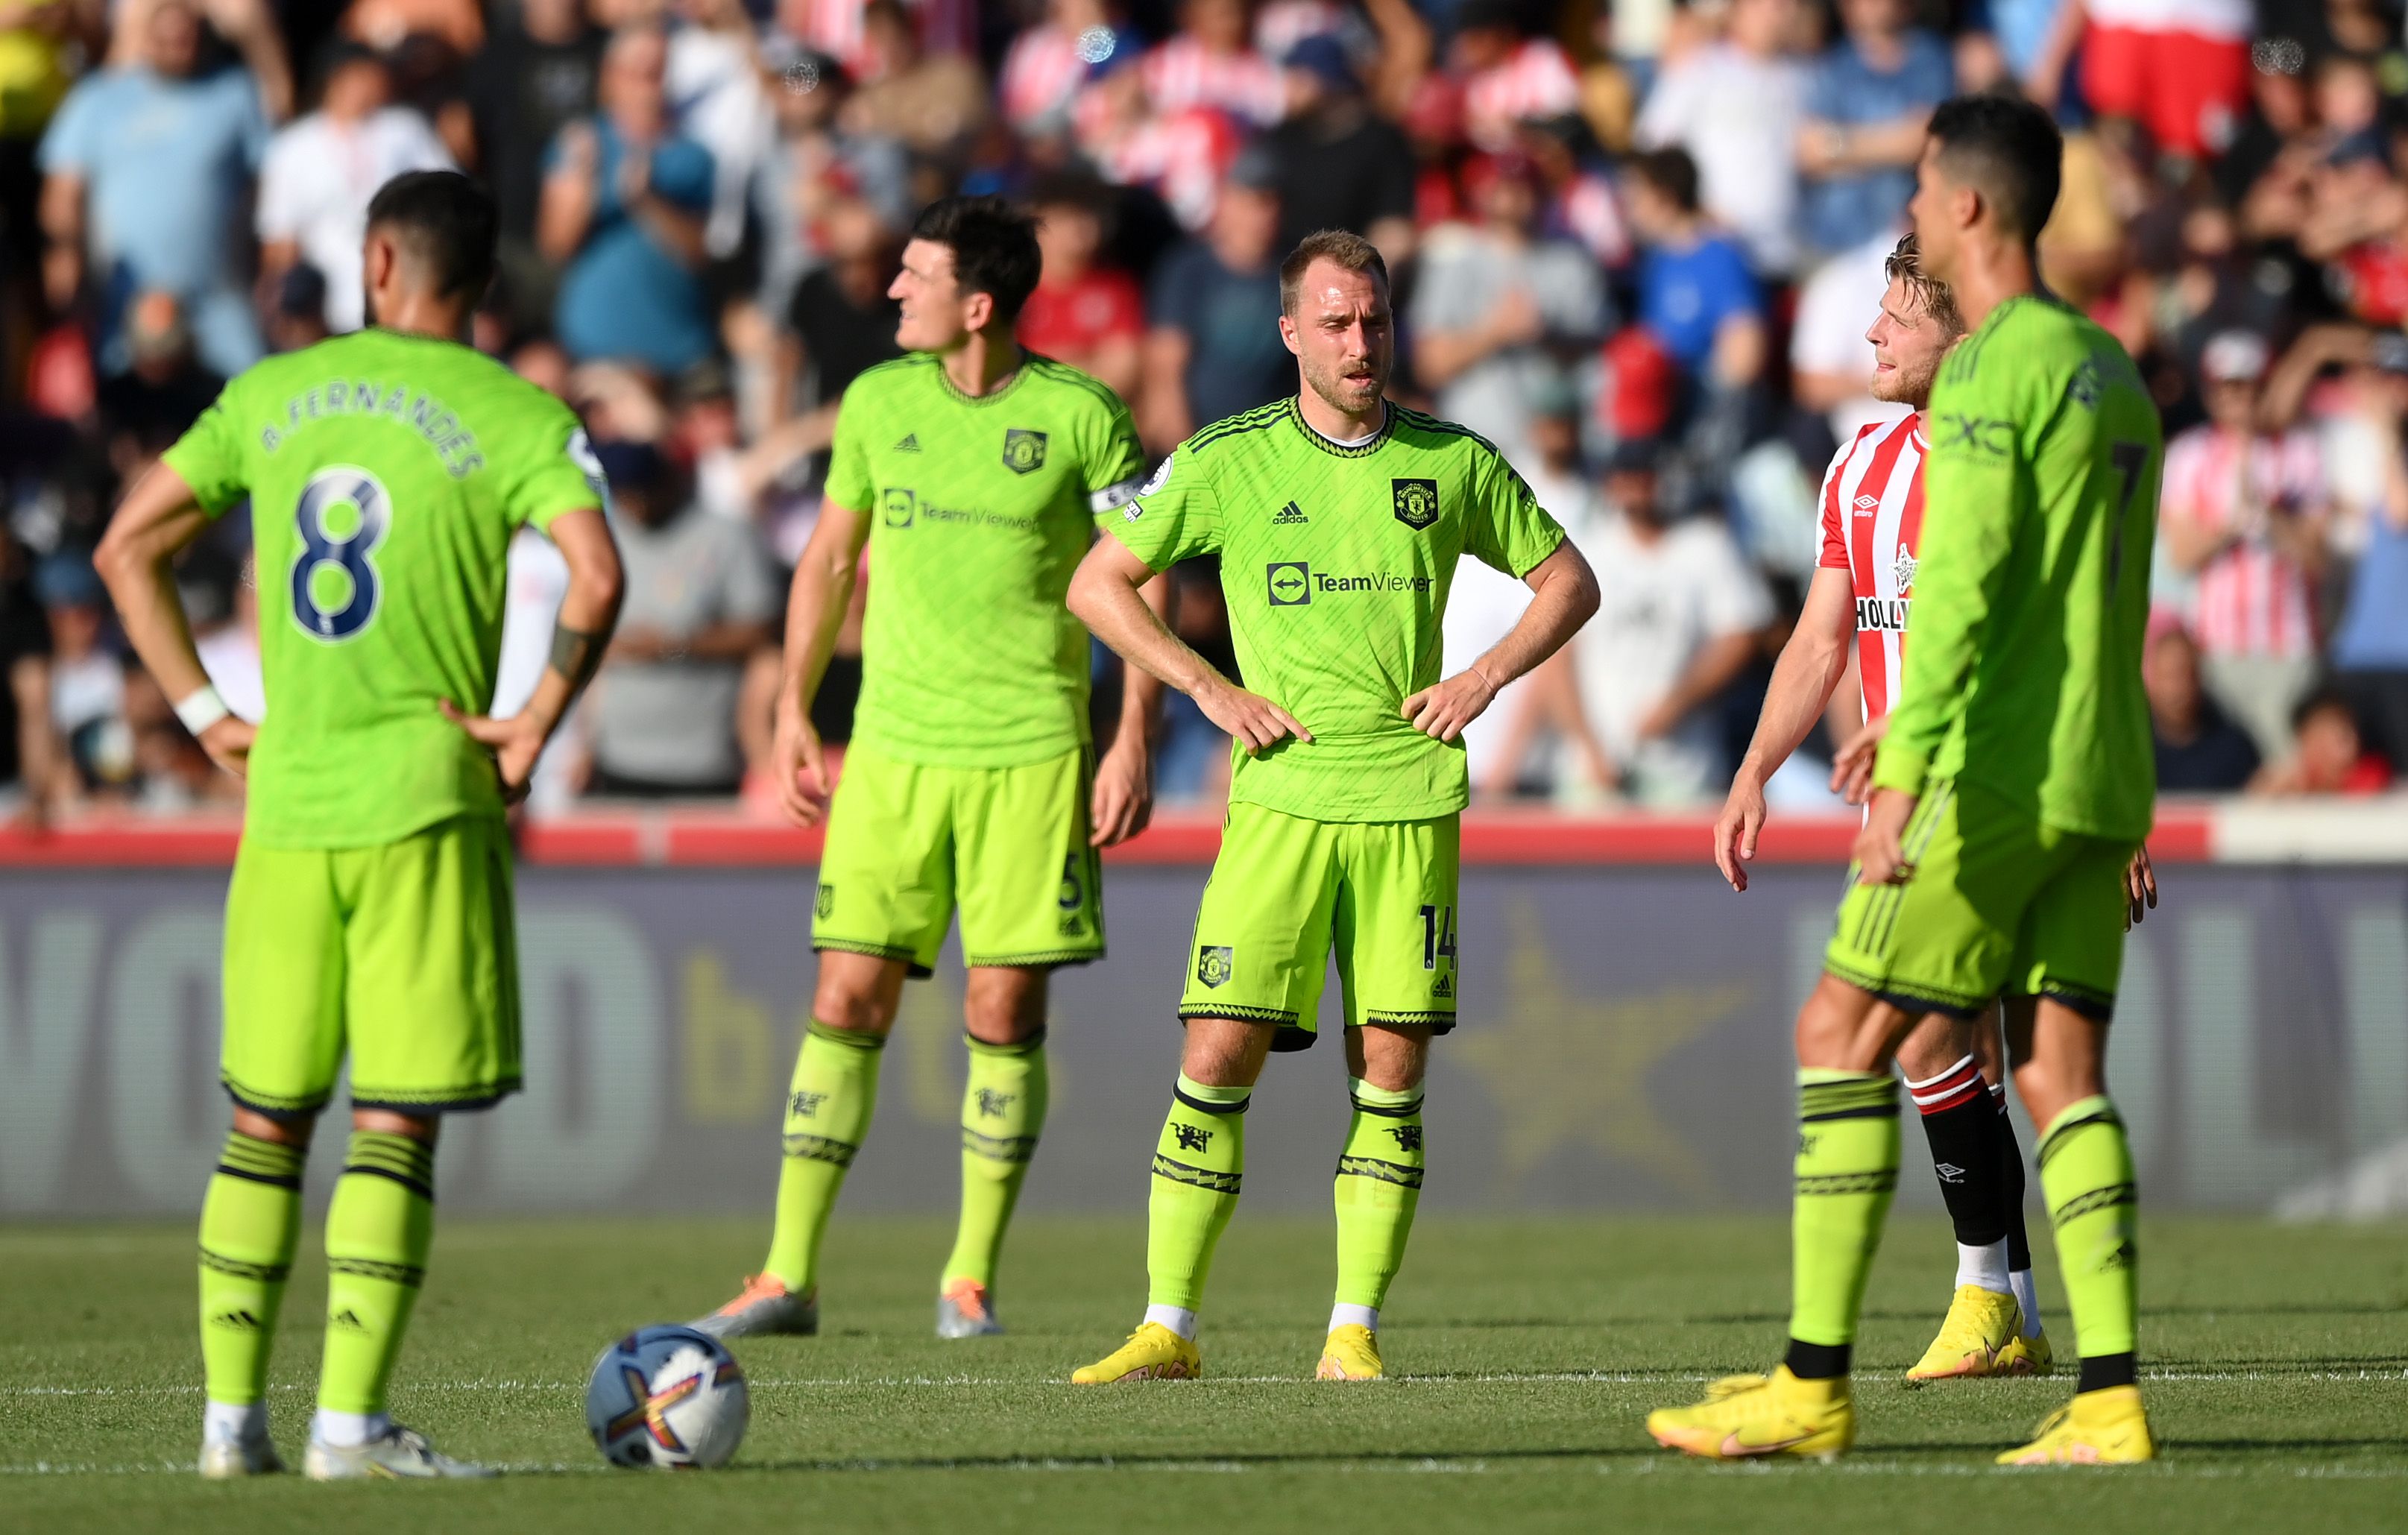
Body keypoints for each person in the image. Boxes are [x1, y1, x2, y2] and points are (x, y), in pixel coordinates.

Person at [1649, 95, 2163, 1465]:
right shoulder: (2109, 371)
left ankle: (1813, 1380)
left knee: (1838, 1031)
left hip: (1980, 778)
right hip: (2094, 772)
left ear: (1972, 212)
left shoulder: (1994, 379)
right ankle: (2106, 1399)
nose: (1914, 211)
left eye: (1929, 191)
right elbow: (2110, 606)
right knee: (2060, 1073)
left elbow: (1971, 593)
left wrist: (1901, 770)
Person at [93, 169, 623, 1480]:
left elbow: (123, 549)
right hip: (426, 799)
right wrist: (537, 715)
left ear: (378, 260)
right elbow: (600, 575)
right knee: (393, 1119)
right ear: (485, 282)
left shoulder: (273, 393)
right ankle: (349, 1424)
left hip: (287, 800)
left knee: (263, 1118)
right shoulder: (516, 412)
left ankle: (229, 1427)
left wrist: (209, 710)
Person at [1063, 229, 1599, 1385]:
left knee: (1389, 1071)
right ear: (1291, 332)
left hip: (1406, 804)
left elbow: (1570, 581)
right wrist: (1205, 686)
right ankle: (1168, 1325)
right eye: (1337, 322)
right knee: (1216, 1051)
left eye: (1375, 319)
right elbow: (1096, 583)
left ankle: (1350, 1330)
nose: (1361, 343)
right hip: (1281, 804)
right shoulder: (1227, 458)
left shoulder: (1450, 461)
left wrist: (1481, 676)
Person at [693, 195, 1159, 1345]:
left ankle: (968, 1274)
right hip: (894, 752)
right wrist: (795, 710)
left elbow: (1142, 577)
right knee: (844, 996)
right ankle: (786, 1272)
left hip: (1030, 752)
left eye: (914, 274)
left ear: (978, 304)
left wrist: (1133, 728)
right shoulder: (871, 402)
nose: (893, 290)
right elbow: (826, 561)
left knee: (1001, 1010)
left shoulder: (1080, 414)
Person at [1711, 233, 2061, 1385]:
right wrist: (1756, 765)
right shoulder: (1858, 462)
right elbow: (1822, 636)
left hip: (2000, 788)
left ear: (1961, 334)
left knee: (1919, 1033)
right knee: (1970, 1051)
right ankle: (2006, 1300)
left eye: (1896, 315)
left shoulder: (2010, 459)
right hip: (1903, 810)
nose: (1869, 333)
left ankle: (1974, 1296)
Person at [37, 0, 271, 376]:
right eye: (166, 38)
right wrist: (64, 262)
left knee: (250, 391)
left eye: (187, 38)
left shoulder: (235, 92)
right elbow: (63, 190)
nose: (177, 47)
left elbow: (269, 177)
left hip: (216, 295)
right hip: (123, 296)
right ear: (144, 39)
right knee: (122, 407)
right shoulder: (98, 99)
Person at [1563, 436, 1770, 804]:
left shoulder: (1704, 545)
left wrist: (1678, 701)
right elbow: (1557, 657)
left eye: (1644, 475)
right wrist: (1586, 743)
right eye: (1625, 475)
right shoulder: (1588, 549)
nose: (1635, 486)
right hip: (1597, 767)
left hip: (1684, 769)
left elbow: (1742, 634)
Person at [583, 438, 778, 797]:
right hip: (617, 758)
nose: (634, 504)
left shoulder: (726, 535)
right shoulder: (606, 538)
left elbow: (761, 630)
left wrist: (675, 646)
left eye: (642, 490)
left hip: (704, 760)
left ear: (668, 480)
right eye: (623, 493)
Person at [538, 22, 716, 376]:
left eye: (658, 70)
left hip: (675, 351)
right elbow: (555, 247)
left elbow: (698, 254)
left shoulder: (693, 155)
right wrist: (583, 183)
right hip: (590, 349)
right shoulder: (579, 145)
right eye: (638, 70)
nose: (649, 81)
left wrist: (648, 201)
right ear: (611, 76)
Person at [256, 42, 453, 335]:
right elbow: (280, 236)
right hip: (326, 305)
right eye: (363, 75)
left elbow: (447, 195)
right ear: (336, 80)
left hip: (400, 300)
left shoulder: (404, 130)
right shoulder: (294, 147)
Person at [2145, 620, 2259, 792]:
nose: (2178, 689)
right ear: (2152, 680)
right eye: (2168, 677)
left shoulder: (2233, 748)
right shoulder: (2132, 749)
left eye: (2186, 675)